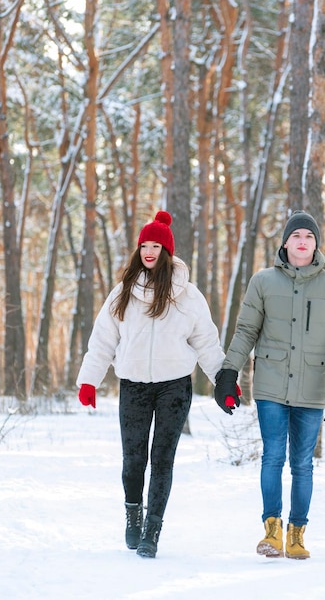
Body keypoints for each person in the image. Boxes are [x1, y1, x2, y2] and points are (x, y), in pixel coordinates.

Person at [77, 211, 227, 558]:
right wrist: (89, 380)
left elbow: (206, 343)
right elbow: (102, 340)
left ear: (167, 251)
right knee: (133, 459)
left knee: (162, 459)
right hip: (133, 386)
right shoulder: (123, 292)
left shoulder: (188, 296)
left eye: (155, 246)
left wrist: (222, 380)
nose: (148, 252)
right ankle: (133, 514)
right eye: (144, 245)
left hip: (174, 387)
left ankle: (152, 530)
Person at [214, 210, 325, 559]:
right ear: (286, 242)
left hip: (313, 385)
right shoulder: (263, 281)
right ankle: (272, 530)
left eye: (308, 236)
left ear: (316, 243)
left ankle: (296, 533)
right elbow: (246, 330)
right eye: (296, 236)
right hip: (271, 384)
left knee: (303, 463)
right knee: (273, 456)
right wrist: (228, 372)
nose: (302, 241)